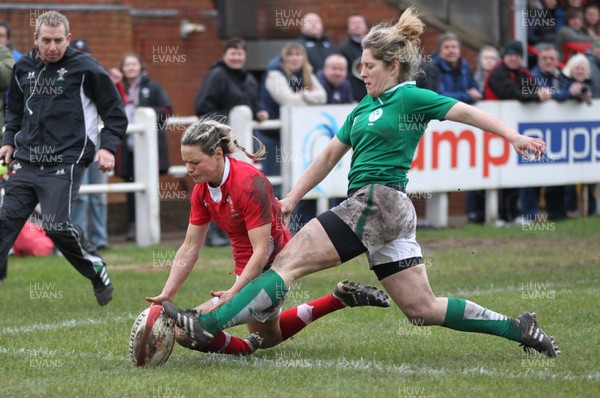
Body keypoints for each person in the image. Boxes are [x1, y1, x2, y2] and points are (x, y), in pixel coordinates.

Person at [163, 8, 560, 359]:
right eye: (361, 65)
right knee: (422, 310)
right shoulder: (365, 106)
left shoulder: (410, 98)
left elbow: (469, 114)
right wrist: (293, 198)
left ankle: (208, 322)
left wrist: (515, 137)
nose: (362, 72)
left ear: (393, 66)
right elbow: (328, 156)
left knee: (285, 262)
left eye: (369, 65)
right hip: (386, 210)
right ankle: (517, 326)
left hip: (378, 202)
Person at [146, 118, 389, 354]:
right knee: (268, 337)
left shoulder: (249, 183)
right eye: (186, 162)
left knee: (187, 331)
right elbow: (189, 247)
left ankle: (244, 348)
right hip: (248, 270)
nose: (188, 169)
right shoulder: (202, 191)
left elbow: (261, 252)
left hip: (273, 272)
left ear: (218, 155)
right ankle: (339, 299)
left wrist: (234, 291)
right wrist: (167, 293)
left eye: (195, 162)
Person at [0, 11, 127, 304]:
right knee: (5, 222)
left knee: (56, 225)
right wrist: (8, 141)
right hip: (26, 160)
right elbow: (14, 110)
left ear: (68, 39)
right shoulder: (23, 67)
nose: (53, 47)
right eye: (46, 40)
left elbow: (115, 113)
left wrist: (107, 148)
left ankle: (96, 269)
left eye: (59, 40)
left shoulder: (86, 68)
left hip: (66, 160)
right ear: (36, 39)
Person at [193, 37, 268, 247]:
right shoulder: (216, 76)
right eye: (232, 53)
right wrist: (225, 126)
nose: (236, 57)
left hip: (242, 143)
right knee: (218, 185)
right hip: (220, 143)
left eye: (240, 53)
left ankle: (236, 229)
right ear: (225, 55)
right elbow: (203, 107)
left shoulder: (248, 79)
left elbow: (249, 105)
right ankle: (214, 231)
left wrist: (258, 112)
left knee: (238, 186)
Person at [484, 40, 552, 225]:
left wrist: (541, 94)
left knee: (512, 174)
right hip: (493, 130)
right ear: (505, 56)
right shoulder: (497, 73)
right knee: (496, 175)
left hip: (514, 132)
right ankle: (500, 215)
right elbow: (510, 93)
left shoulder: (523, 73)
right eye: (510, 54)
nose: (514, 58)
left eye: (517, 55)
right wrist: (536, 96)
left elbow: (532, 90)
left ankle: (513, 215)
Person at [112, 52, 173, 241]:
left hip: (148, 149)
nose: (130, 68)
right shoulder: (116, 88)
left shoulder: (152, 86)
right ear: (122, 68)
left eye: (134, 64)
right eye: (127, 65)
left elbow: (167, 110)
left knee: (151, 187)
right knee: (131, 188)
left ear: (140, 66)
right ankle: (133, 225)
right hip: (126, 149)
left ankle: (153, 224)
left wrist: (144, 113)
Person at [257, 42, 326, 205]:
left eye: (298, 54)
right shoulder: (274, 74)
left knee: (296, 182)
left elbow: (323, 96)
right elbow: (289, 101)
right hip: (273, 137)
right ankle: (269, 224)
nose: (295, 58)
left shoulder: (306, 71)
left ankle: (286, 224)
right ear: (283, 58)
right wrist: (308, 97)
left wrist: (304, 95)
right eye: (290, 55)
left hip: (296, 136)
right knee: (274, 184)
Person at [69, 39, 109, 250]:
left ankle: (100, 239)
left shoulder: (98, 78)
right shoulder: (64, 80)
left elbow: (112, 105)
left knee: (99, 194)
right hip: (74, 146)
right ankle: (79, 239)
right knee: (80, 196)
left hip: (98, 142)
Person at [559, 53, 596, 217]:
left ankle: (590, 208)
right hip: (566, 133)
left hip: (585, 134)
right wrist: (569, 93)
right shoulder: (563, 81)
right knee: (568, 176)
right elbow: (556, 96)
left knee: (590, 174)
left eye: (583, 68)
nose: (580, 71)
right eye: (577, 68)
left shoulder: (592, 84)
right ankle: (569, 208)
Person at [430, 32, 481, 104]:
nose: (451, 50)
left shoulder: (465, 67)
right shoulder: (433, 68)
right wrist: (468, 96)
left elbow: (476, 92)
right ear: (440, 52)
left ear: (459, 50)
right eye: (446, 47)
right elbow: (439, 97)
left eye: (454, 47)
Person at [338, 14, 369, 101]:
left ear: (366, 26)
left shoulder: (373, 46)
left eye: (359, 22)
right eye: (353, 23)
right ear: (348, 29)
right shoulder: (343, 48)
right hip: (354, 92)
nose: (357, 25)